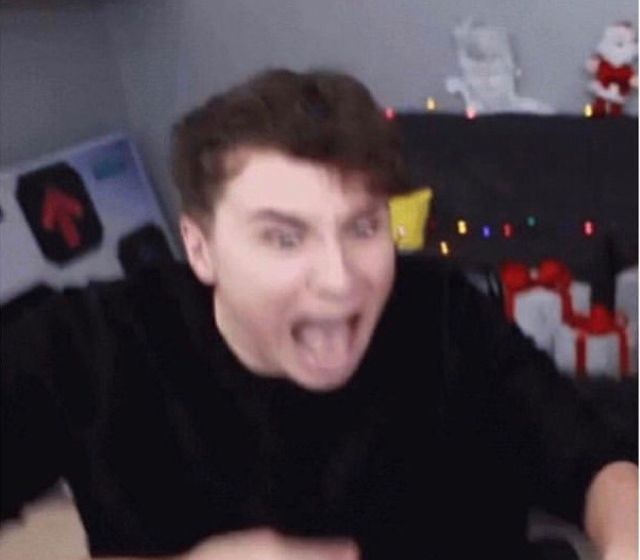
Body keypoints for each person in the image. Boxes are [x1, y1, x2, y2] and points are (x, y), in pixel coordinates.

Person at [1, 69, 637, 560]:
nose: (340, 281)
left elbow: (594, 461)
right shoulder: (88, 347)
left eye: (362, 227)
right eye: (283, 237)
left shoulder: (443, 315)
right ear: (200, 248)